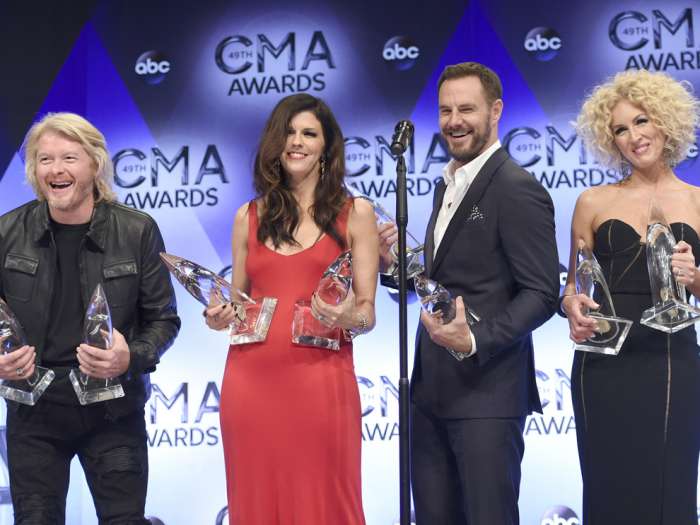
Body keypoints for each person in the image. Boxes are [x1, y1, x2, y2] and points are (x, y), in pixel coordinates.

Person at [379, 62, 559, 524]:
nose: (454, 121)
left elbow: (541, 293)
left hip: (487, 397)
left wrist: (476, 339)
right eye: (445, 110)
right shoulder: (450, 184)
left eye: (466, 109)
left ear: (495, 111)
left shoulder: (517, 188)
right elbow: (449, 285)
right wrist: (393, 267)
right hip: (430, 394)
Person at [205, 93, 378, 524]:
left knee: (325, 502)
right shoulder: (248, 215)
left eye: (308, 133)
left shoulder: (356, 214)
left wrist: (345, 318)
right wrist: (217, 314)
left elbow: (367, 313)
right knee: (257, 502)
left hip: (322, 383)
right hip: (250, 381)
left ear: (326, 147)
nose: (296, 142)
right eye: (288, 132)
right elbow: (237, 300)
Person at [0, 112, 180, 524]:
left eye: (69, 158)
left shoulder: (136, 231)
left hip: (113, 409)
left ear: (95, 164)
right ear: (33, 170)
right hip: (34, 411)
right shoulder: (7, 232)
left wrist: (129, 358)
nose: (56, 170)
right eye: (44, 160)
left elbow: (163, 320)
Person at [562, 69, 700, 524]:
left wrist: (695, 279)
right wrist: (572, 306)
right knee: (608, 491)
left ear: (665, 122)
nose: (633, 137)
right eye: (620, 129)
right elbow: (574, 285)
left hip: (672, 362)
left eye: (642, 121)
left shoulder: (698, 200)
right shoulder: (592, 202)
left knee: (670, 490)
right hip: (604, 365)